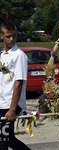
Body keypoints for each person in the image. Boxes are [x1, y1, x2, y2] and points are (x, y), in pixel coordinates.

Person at [0, 20, 31, 150]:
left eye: (14, 36)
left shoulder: (19, 56)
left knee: (2, 142)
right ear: (1, 36)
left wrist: (12, 109)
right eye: (8, 36)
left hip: (11, 104)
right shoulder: (2, 55)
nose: (12, 39)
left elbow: (19, 83)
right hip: (2, 102)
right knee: (9, 139)